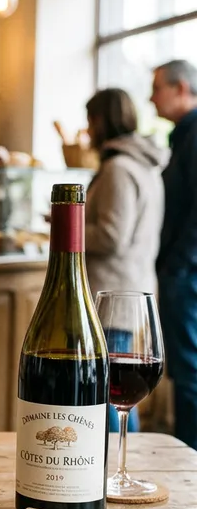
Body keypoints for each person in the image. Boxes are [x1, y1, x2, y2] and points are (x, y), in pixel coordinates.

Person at [83, 88, 165, 433]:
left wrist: (67, 227)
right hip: (133, 289)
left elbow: (112, 236)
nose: (87, 131)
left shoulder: (118, 168)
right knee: (121, 389)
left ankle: (115, 469)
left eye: (89, 121)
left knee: (112, 390)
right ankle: (120, 465)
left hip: (114, 296)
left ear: (101, 121)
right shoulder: (145, 165)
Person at [151, 59, 197, 447]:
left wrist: (177, 266)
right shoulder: (183, 134)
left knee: (190, 374)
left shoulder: (195, 133)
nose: (151, 98)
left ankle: (189, 465)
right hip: (181, 271)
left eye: (157, 89)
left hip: (187, 274)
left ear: (180, 88)